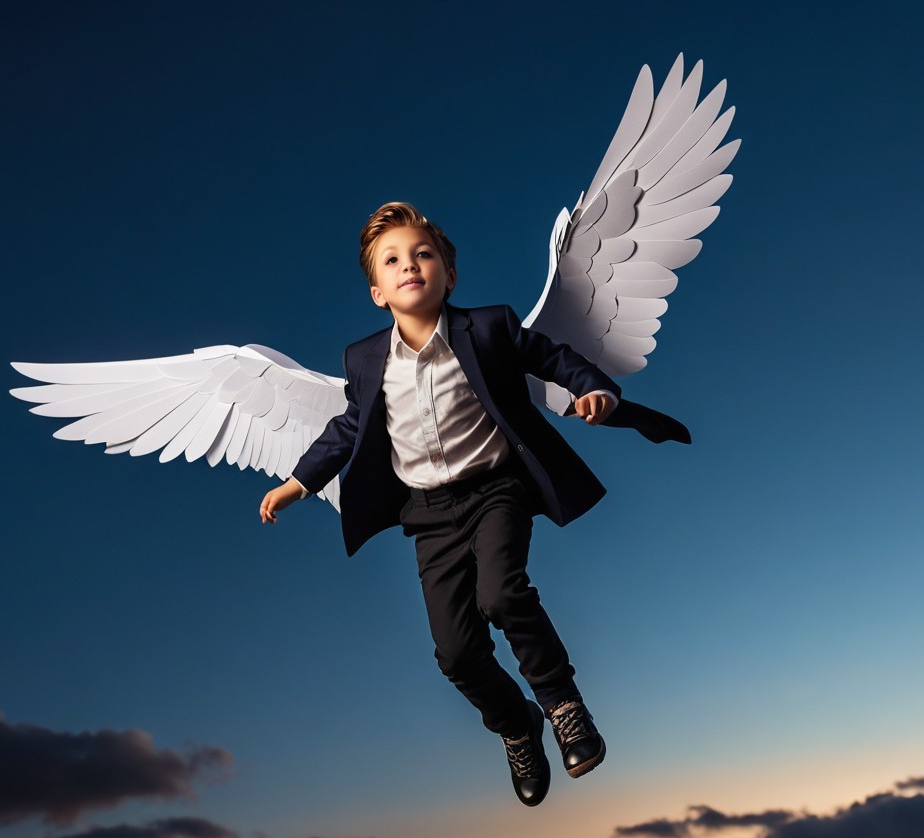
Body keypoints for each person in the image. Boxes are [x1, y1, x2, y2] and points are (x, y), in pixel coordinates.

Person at [259, 202, 687, 807]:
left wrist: (592, 387)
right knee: (456, 653)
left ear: (450, 275)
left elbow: (551, 356)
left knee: (503, 594)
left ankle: (562, 704)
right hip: (428, 515)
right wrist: (298, 482)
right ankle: (517, 724)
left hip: (495, 491)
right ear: (377, 292)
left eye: (423, 254)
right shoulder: (363, 360)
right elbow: (349, 426)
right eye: (392, 261)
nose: (409, 265)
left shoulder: (488, 327)